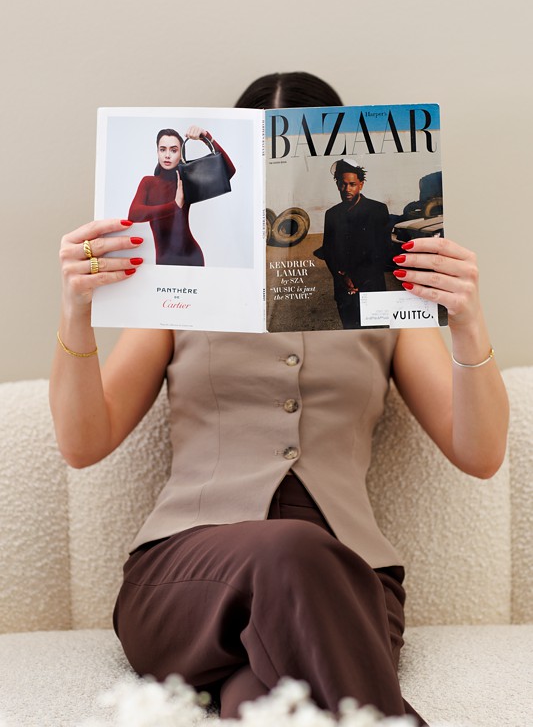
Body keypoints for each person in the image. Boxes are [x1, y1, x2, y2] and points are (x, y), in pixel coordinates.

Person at [50, 72, 509, 725]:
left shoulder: (381, 297)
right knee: (287, 547)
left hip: (350, 587)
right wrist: (76, 311)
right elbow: (82, 442)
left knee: (259, 705)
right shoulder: (184, 286)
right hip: (186, 579)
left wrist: (465, 318)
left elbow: (481, 453)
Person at [128, 125, 235, 265]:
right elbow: (134, 215)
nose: (167, 155)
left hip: (193, 257)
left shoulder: (186, 180)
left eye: (173, 150)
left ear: (180, 154)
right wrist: (175, 206)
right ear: (157, 152)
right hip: (163, 260)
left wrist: (206, 137)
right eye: (162, 149)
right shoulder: (148, 182)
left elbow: (228, 171)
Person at [321, 159, 390, 328]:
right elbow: (328, 252)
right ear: (337, 185)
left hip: (372, 288)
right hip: (344, 291)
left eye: (352, 184)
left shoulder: (377, 210)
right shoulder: (331, 214)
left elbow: (382, 252)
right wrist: (342, 278)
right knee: (351, 336)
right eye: (343, 184)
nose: (347, 189)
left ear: (361, 184)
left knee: (379, 338)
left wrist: (357, 280)